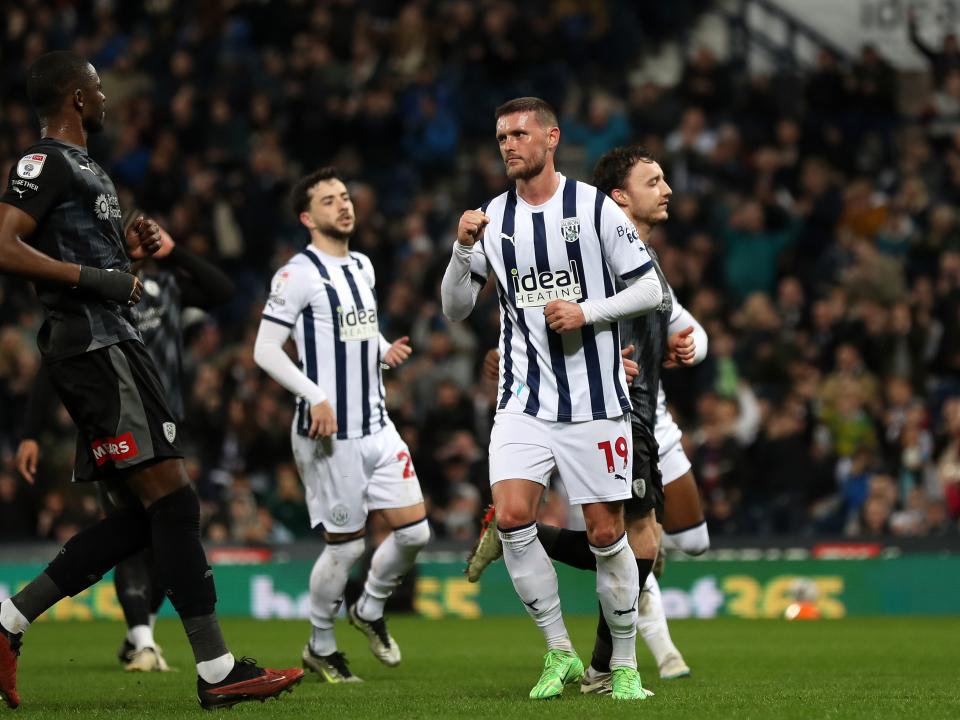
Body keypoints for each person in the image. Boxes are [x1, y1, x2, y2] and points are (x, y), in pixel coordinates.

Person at [0, 51, 302, 710]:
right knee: (176, 504)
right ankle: (219, 670)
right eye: (99, 88)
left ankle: (10, 621)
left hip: (112, 348)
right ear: (78, 97)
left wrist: (117, 261)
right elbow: (5, 244)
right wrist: (99, 279)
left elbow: (72, 252)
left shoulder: (87, 169)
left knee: (148, 517)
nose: (107, 98)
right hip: (95, 351)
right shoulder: (43, 161)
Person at [441, 97, 664, 701]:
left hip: (596, 401)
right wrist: (462, 251)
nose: (509, 144)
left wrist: (588, 311)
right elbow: (455, 309)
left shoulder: (593, 209)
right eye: (501, 136)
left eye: (519, 133)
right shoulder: (491, 218)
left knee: (604, 533)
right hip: (523, 399)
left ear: (551, 137)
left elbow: (650, 288)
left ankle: (623, 665)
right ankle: (560, 652)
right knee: (512, 517)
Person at [467, 145, 711, 689]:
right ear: (620, 197)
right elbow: (540, 312)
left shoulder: (644, 263)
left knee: (684, 542)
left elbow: (678, 318)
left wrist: (689, 346)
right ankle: (623, 664)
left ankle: (609, 654)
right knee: (636, 543)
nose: (667, 189)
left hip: (653, 418)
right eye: (654, 181)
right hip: (599, 412)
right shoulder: (588, 241)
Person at [14, 220, 235, 673]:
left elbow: (221, 290)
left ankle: (17, 619)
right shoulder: (99, 291)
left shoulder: (167, 289)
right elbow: (53, 353)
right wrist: (32, 430)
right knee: (152, 521)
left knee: (150, 525)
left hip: (163, 419)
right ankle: (168, 649)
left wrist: (174, 252)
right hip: (116, 412)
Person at [253, 167, 430, 684]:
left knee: (415, 532)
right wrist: (314, 394)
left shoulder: (363, 267)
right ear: (308, 218)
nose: (343, 206)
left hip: (377, 423)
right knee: (347, 546)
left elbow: (361, 331)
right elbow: (264, 350)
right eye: (329, 201)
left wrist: (382, 350)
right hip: (329, 434)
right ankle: (320, 644)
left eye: (346, 196)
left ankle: (370, 608)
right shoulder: (297, 275)